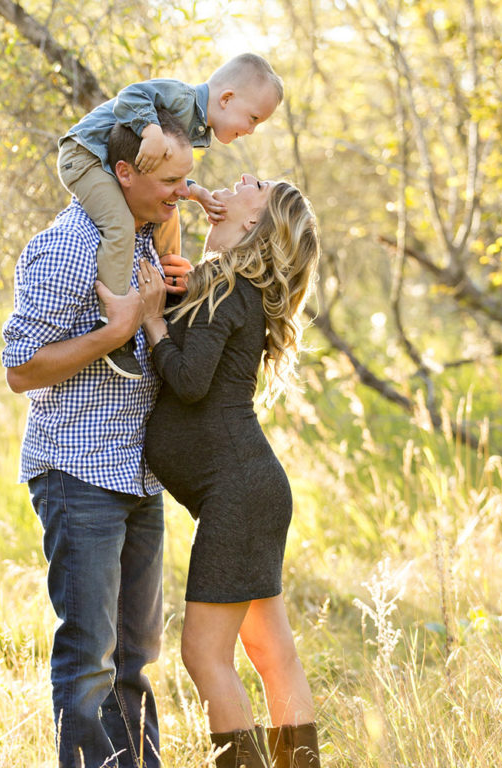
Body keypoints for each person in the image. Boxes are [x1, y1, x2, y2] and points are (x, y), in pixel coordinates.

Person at [1, 110, 194, 768]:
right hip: (78, 476)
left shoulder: (145, 240)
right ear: (122, 173)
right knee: (88, 665)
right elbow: (21, 369)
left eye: (185, 178)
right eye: (167, 178)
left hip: (139, 479)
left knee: (137, 662)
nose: (180, 191)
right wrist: (115, 332)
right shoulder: (70, 246)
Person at [137, 174, 322, 768]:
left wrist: (152, 322)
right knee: (273, 655)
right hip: (251, 491)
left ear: (253, 225)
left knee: (203, 655)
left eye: (257, 186)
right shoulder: (223, 283)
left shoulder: (228, 284)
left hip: (240, 495)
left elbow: (189, 382)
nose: (243, 178)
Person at [59, 53, 284, 379]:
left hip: (111, 162)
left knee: (168, 215)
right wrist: (150, 130)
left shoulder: (195, 125)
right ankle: (112, 322)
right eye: (252, 118)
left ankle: (168, 282)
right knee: (119, 226)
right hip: (85, 155)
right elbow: (132, 95)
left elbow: (164, 174)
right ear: (226, 98)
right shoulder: (182, 98)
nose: (251, 130)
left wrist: (198, 193)